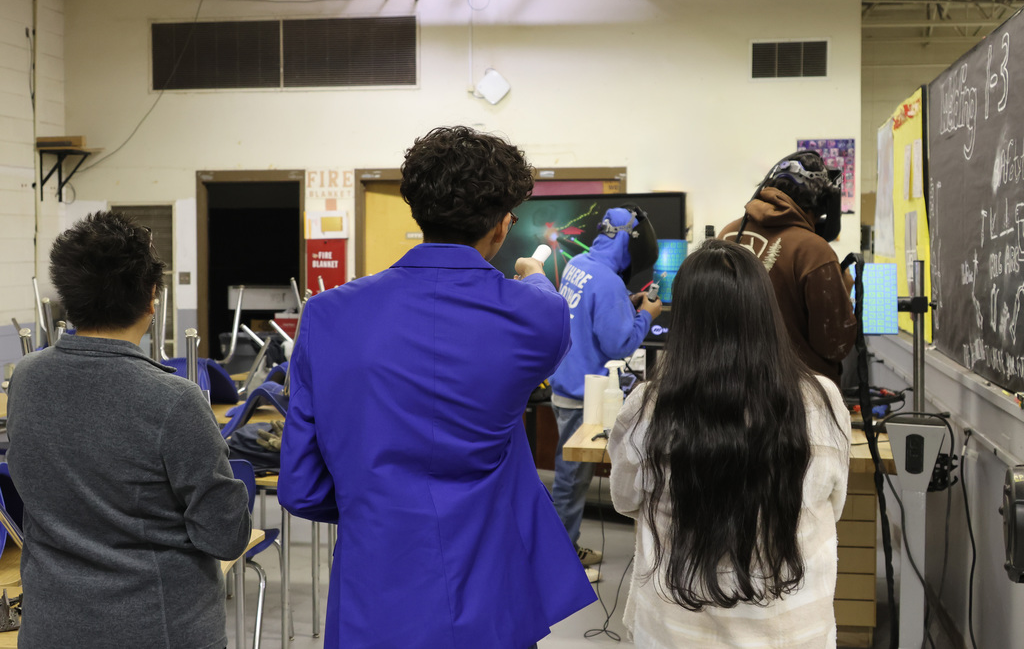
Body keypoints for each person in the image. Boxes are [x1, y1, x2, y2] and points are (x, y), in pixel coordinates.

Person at [279, 125, 596, 649]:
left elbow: (302, 487)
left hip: (372, 597)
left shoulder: (327, 316)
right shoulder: (537, 316)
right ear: (499, 226)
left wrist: (380, 503)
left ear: (418, 213)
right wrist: (533, 272)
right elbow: (545, 302)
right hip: (488, 598)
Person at [6, 211, 251, 649]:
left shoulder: (26, 378)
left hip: (51, 627)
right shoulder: (175, 400)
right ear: (152, 298)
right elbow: (224, 534)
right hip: (157, 629)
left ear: (66, 295)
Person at [608, 239, 852, 649]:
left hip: (677, 632)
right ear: (766, 311)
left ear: (684, 317)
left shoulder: (648, 407)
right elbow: (834, 503)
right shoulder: (822, 400)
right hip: (793, 633)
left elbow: (624, 498)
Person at [547, 206, 662, 578]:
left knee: (569, 479)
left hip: (564, 386)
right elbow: (619, 346)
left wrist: (624, 307)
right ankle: (561, 561)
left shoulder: (579, 263)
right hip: (585, 397)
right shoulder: (609, 282)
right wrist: (647, 316)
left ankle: (564, 547)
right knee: (571, 481)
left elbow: (588, 315)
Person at [719, 150, 856, 385]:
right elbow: (834, 345)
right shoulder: (814, 251)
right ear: (823, 203)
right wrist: (842, 288)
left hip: (728, 390)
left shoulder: (728, 235)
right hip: (797, 399)